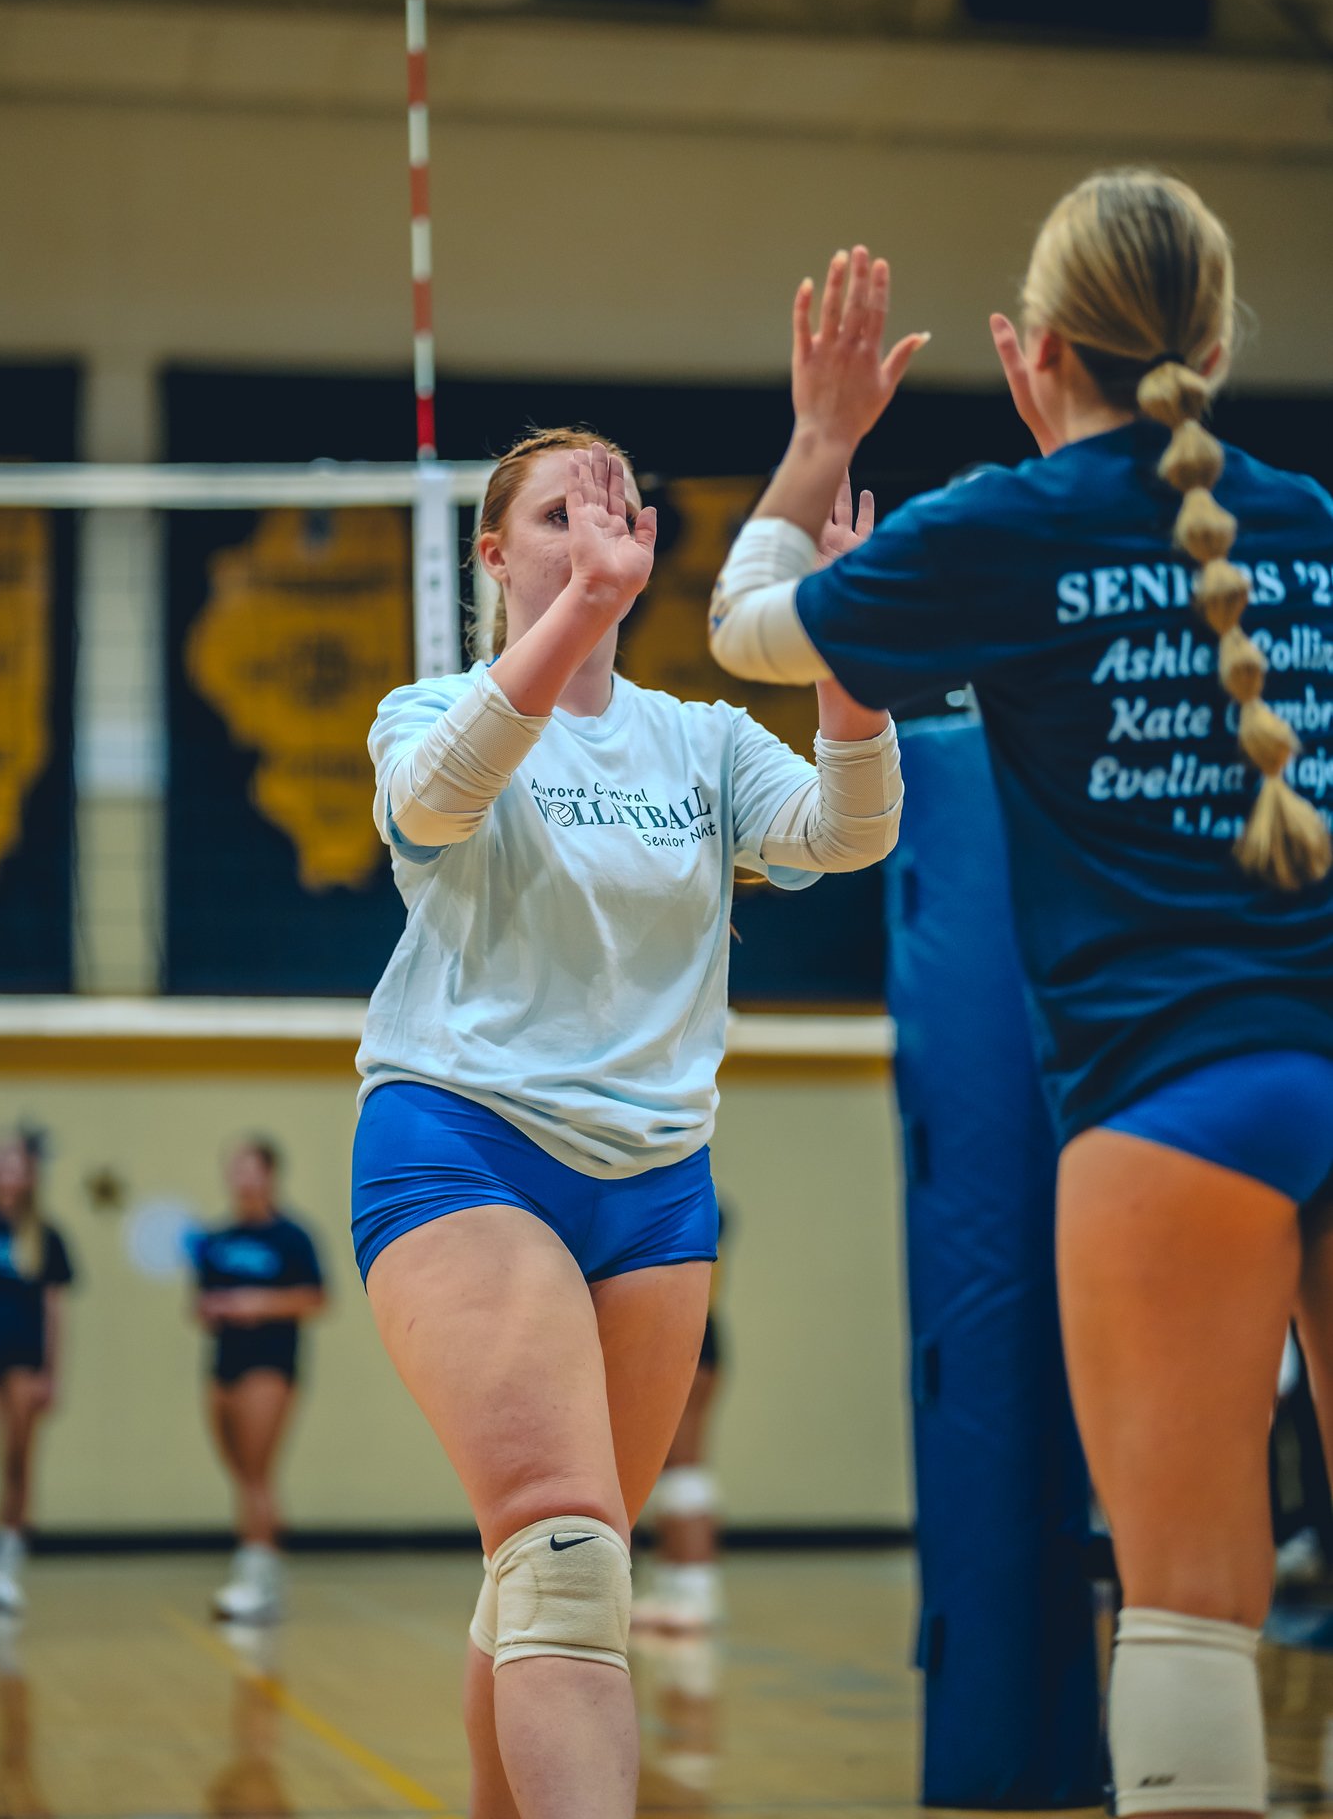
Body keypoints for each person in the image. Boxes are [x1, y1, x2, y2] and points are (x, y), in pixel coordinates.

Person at [707, 182, 1333, 1818]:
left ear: (1026, 351)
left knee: (1191, 1600)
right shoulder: (1318, 523)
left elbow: (742, 628)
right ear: (1210, 345)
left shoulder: (1005, 525)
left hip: (1176, 1096)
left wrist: (821, 437)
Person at [352, 425, 905, 1819]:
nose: (596, 529)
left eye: (617, 509)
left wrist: (850, 674)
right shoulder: (430, 711)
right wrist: (585, 612)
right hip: (465, 1143)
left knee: (555, 1566)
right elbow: (435, 806)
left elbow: (848, 834)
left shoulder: (700, 740)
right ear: (493, 554)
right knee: (563, 1554)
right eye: (557, 512)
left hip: (657, 1184)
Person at [191, 1138, 326, 1625]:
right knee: (241, 1472)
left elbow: (315, 1298)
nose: (243, 1178)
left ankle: (255, 1576)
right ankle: (264, 1565)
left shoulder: (292, 1236)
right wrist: (213, 1308)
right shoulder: (217, 1238)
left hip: (270, 1364)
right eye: (236, 1169)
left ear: (271, 1175)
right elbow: (201, 1303)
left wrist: (256, 1303)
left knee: (256, 1470)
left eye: (252, 1169)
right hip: (224, 1362)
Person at [0, 1125, 75, 1614]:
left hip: (24, 1358)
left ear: (29, 1175)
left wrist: (52, 1371)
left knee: (16, 1459)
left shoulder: (44, 1236)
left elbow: (55, 1310)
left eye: (17, 1164)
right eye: (0, 1161)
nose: (8, 1172)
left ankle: (6, 1564)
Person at [633, 1203, 731, 1633]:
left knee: (683, 1470)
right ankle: (676, 1586)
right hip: (676, 1333)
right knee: (665, 1469)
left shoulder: (694, 1204)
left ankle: (696, 1591)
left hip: (683, 1335)